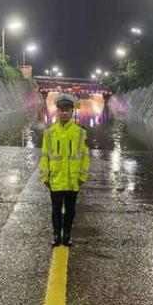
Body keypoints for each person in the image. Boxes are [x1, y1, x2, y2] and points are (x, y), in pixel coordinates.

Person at [40, 93, 91, 247]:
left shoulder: (80, 132)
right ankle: (56, 236)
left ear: (72, 111)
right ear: (57, 111)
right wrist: (45, 177)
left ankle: (67, 235)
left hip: (73, 180)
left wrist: (82, 177)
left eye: (67, 110)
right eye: (61, 110)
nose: (64, 112)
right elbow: (44, 156)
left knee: (70, 211)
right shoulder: (49, 133)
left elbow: (84, 156)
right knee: (55, 211)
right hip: (55, 180)